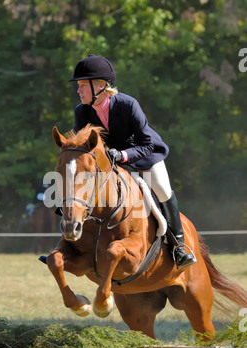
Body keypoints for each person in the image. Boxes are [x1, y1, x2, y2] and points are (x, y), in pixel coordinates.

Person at [69, 54, 196, 270]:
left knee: (163, 190)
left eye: (82, 85)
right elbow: (86, 147)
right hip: (110, 163)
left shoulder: (127, 104)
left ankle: (179, 246)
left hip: (145, 156)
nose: (78, 90)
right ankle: (71, 245)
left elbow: (147, 143)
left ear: (100, 86)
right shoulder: (81, 112)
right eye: (78, 86)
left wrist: (123, 155)